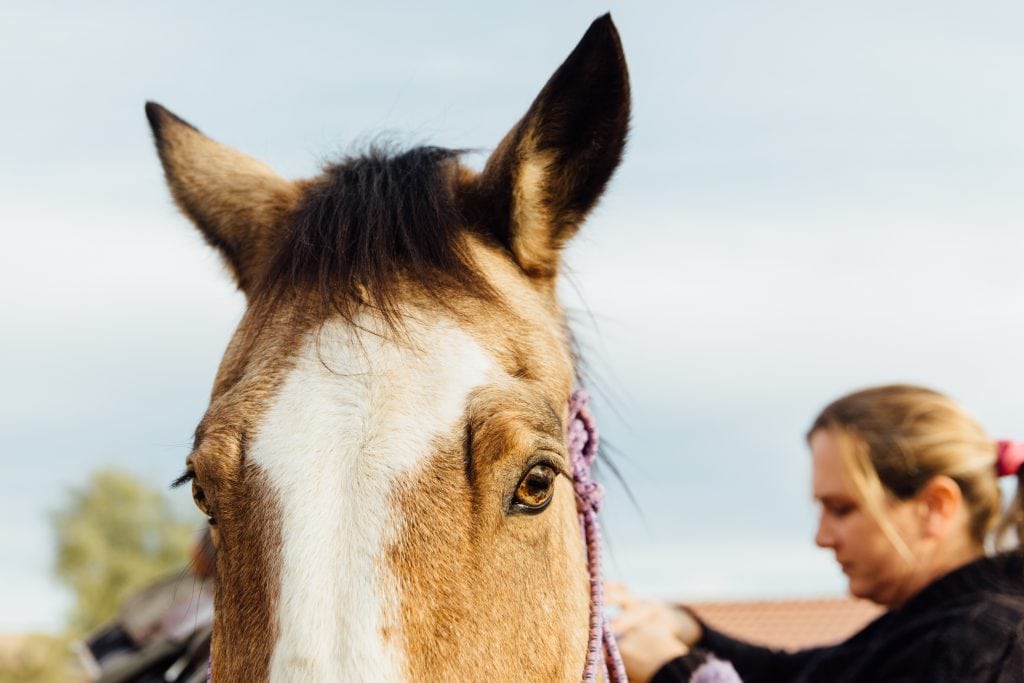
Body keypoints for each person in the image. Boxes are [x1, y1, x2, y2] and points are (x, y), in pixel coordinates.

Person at [611, 384, 1024, 682]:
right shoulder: (923, 628)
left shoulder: (982, 647)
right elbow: (791, 673)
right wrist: (688, 629)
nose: (822, 537)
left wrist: (676, 672)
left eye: (842, 509)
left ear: (935, 506)